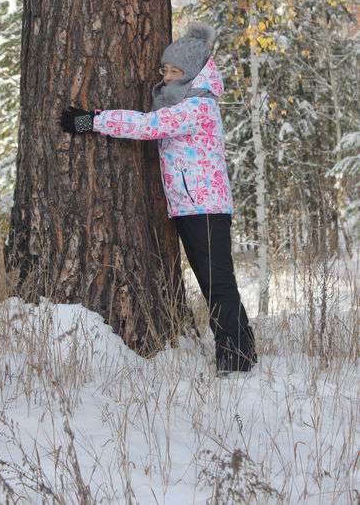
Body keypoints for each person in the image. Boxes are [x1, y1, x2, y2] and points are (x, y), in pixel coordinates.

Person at [60, 21, 257, 377]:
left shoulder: (196, 106)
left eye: (175, 71)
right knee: (217, 281)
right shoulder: (185, 99)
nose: (166, 77)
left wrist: (94, 121)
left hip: (204, 208)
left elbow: (148, 126)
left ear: (193, 73)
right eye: (164, 70)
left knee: (217, 283)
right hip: (192, 205)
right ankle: (241, 352)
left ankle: (236, 360)